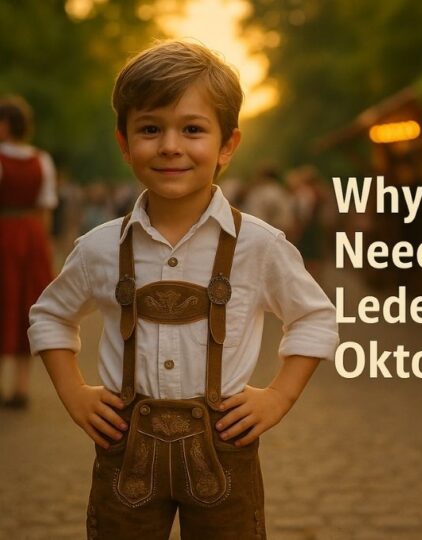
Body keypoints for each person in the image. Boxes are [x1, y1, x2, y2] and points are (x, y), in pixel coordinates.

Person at [28, 40, 338, 539]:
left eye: (192, 129)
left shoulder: (258, 245)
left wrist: (278, 397)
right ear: (125, 143)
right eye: (150, 129)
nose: (170, 145)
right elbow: (49, 316)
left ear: (228, 145)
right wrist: (73, 392)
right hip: (124, 449)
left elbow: (315, 317)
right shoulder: (100, 248)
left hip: (224, 447)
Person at [0, 95, 57, 409]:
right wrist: (42, 245)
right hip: (32, 235)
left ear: (5, 125)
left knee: (4, 301)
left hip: (4, 233)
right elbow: (45, 206)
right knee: (26, 305)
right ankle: (20, 387)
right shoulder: (42, 160)